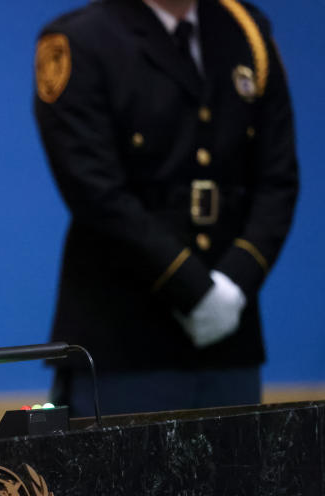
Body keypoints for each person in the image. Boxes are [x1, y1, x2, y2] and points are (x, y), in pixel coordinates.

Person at [33, 0, 298, 416]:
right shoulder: (79, 40)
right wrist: (195, 290)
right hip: (126, 340)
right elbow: (95, 191)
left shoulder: (247, 31)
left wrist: (233, 285)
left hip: (231, 339)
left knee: (239, 479)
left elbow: (278, 178)